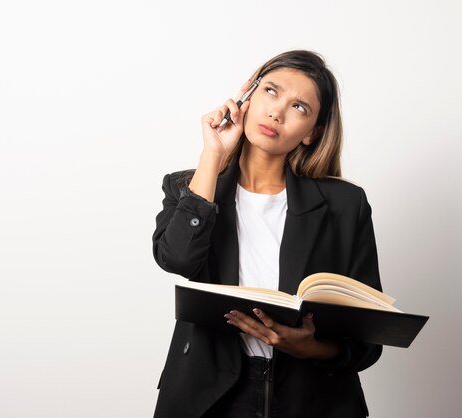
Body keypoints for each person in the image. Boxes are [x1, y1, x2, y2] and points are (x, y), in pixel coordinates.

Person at [152, 50, 383, 418]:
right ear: (247, 97)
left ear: (313, 133)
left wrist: (312, 348)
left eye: (300, 108)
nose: (277, 112)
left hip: (312, 399)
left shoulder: (345, 204)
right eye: (271, 91)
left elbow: (367, 340)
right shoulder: (189, 187)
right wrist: (212, 156)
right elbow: (177, 258)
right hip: (210, 397)